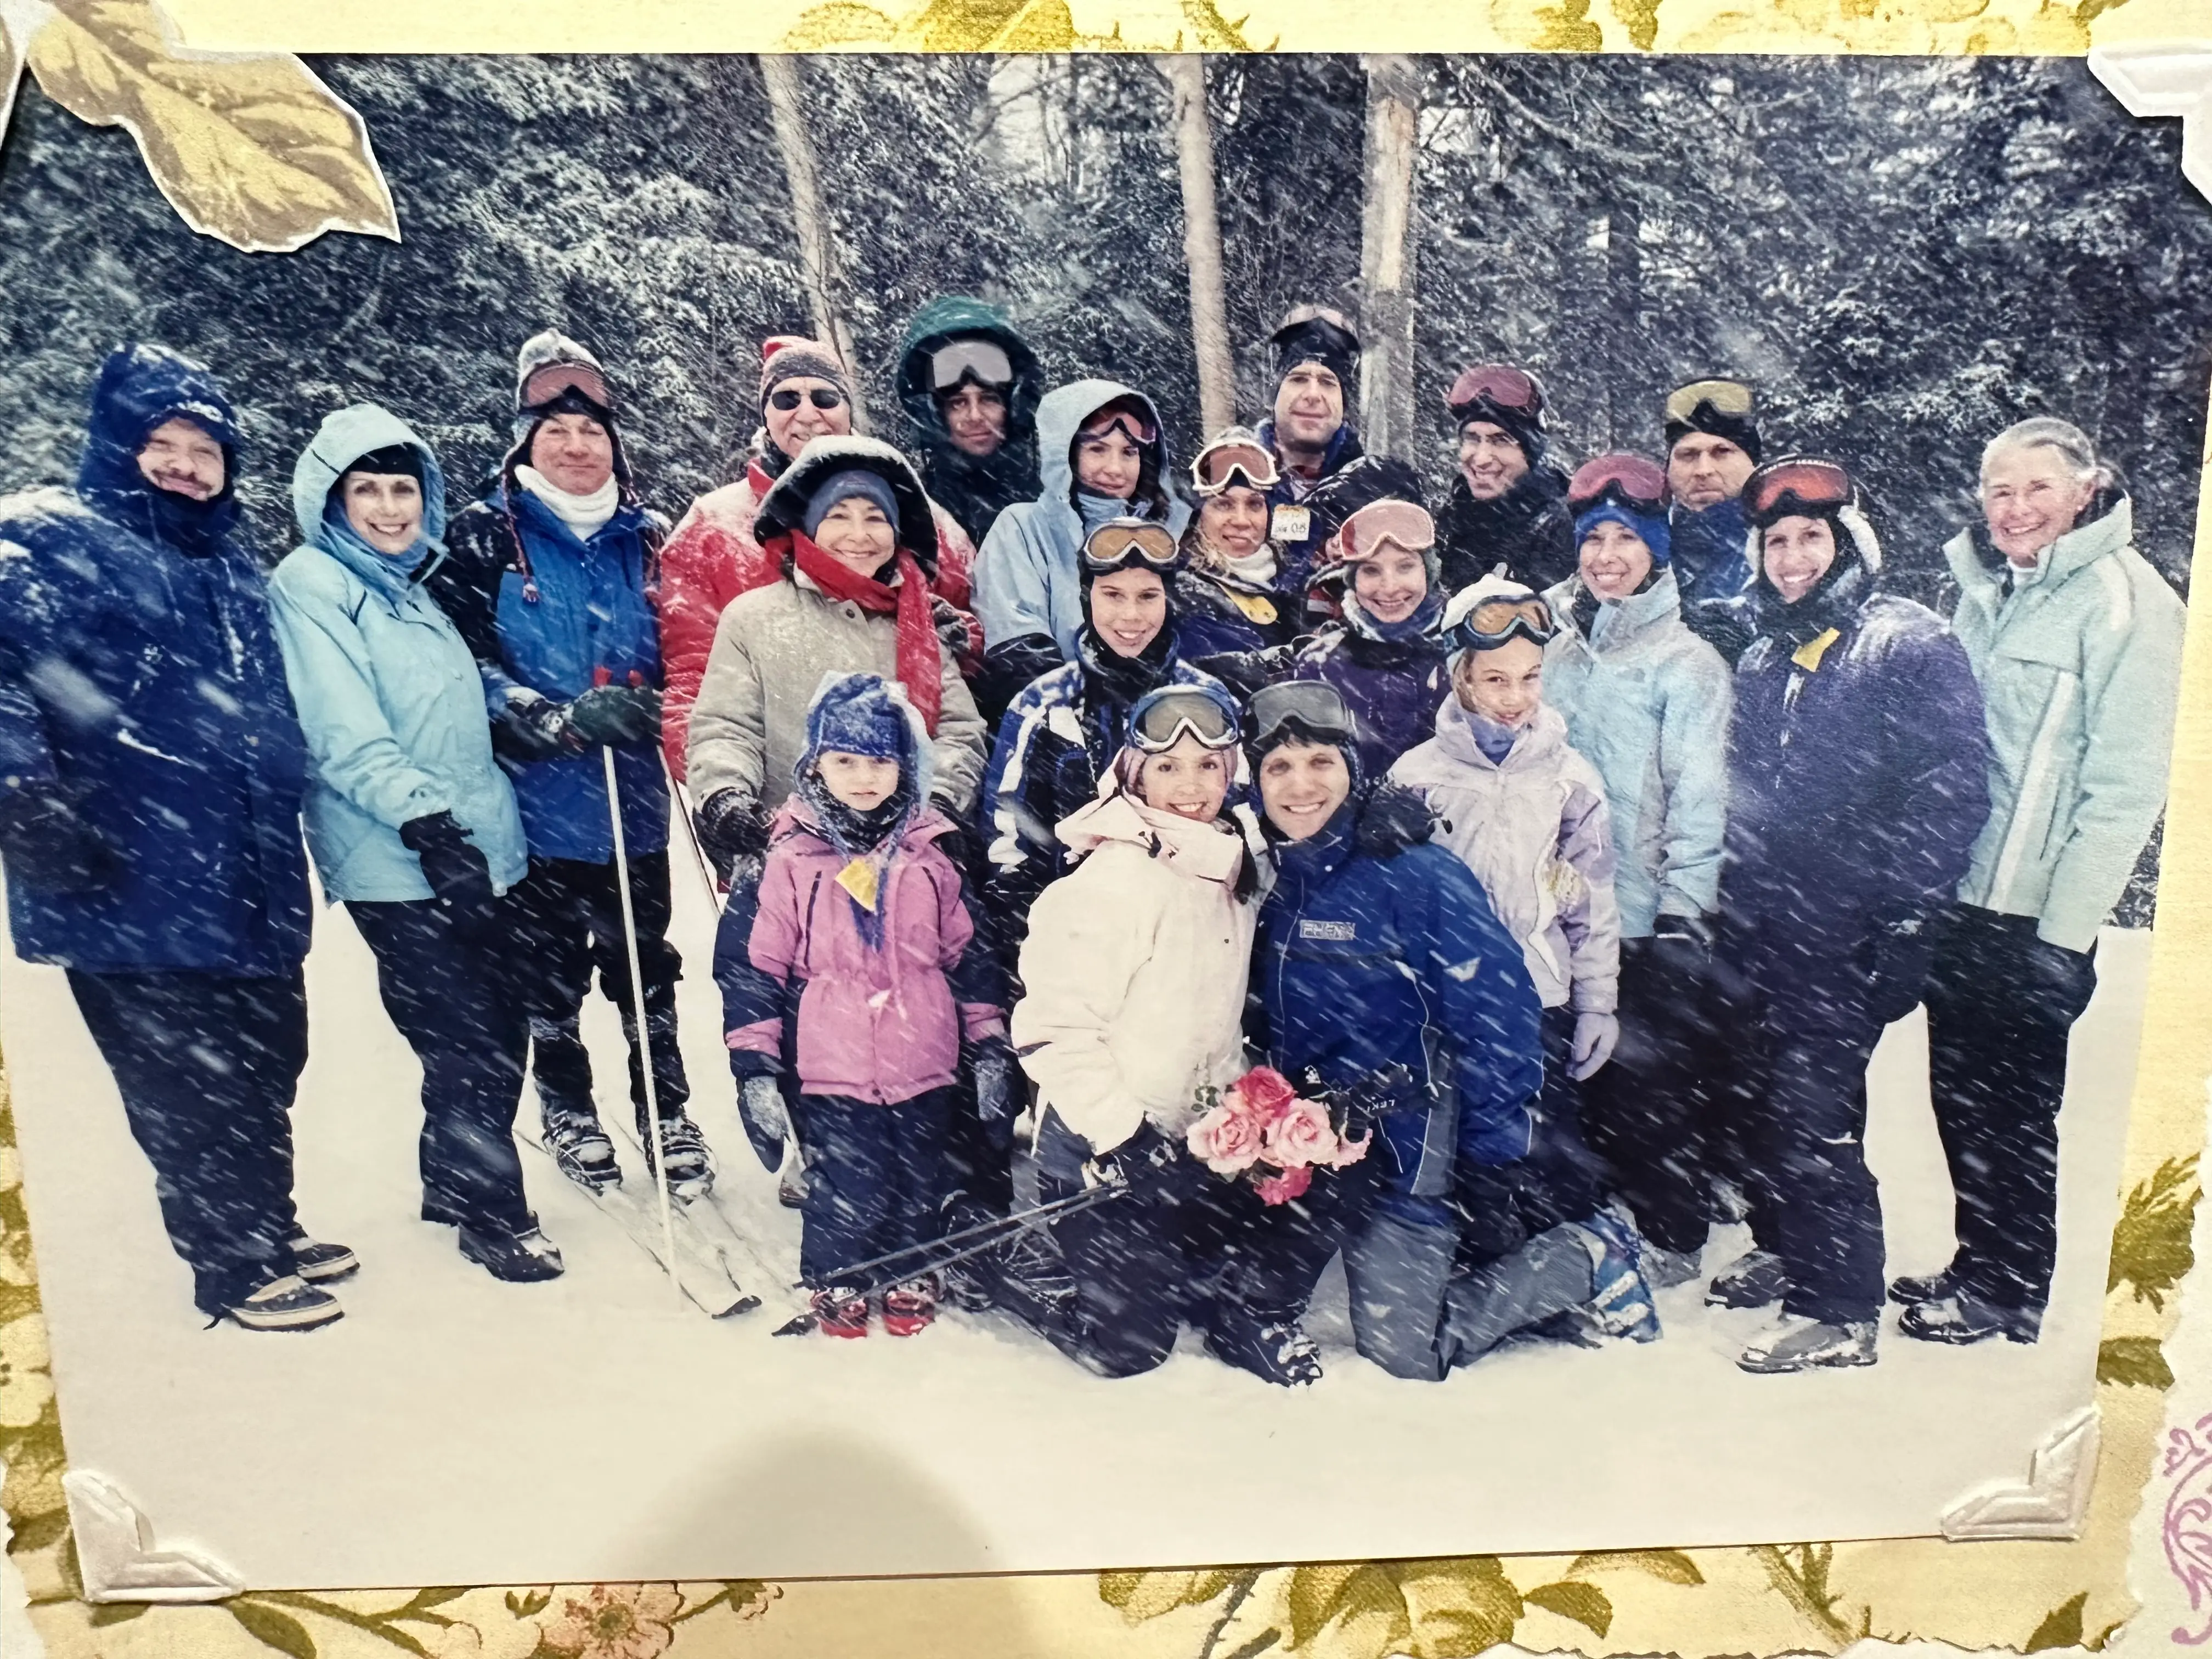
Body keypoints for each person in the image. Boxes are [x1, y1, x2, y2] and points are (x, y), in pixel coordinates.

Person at [0, 345, 345, 1331]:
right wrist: (26, 794)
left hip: (243, 869)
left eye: (207, 447)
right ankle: (231, 1264)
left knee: (269, 1057)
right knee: (183, 1081)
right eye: (165, 443)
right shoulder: (50, 540)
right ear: (118, 444)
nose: (188, 464)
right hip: (127, 876)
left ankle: (265, 1225)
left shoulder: (230, 566)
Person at [1246, 680, 1656, 1383]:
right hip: (1305, 1151)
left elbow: (1498, 1009)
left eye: (1321, 762)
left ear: (1353, 768)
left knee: (1409, 1355)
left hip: (1405, 1151)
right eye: (1279, 768)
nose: (1301, 786)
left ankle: (1587, 1254)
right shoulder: (1268, 875)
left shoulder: (1416, 874)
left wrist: (1495, 1152)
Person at [1905, 419, 2186, 1344]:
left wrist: (2061, 939)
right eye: (1997, 490)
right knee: (1956, 1094)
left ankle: (2010, 1291)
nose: (2015, 508)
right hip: (1963, 901)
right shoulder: (1989, 593)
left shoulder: (2126, 602)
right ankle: (1975, 1260)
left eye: (2035, 488)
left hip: (2034, 920)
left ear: (2083, 489)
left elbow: (2123, 789)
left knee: (2017, 1110)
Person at [268, 406, 561, 1283]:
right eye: (369, 490)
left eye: (404, 488)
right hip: (400, 856)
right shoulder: (313, 585)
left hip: (481, 843)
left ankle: (450, 1181)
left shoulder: (410, 585)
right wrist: (428, 829)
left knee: (500, 1025)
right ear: (331, 497)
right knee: (465, 1034)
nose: (391, 508)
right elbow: (342, 730)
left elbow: (460, 694)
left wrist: (532, 714)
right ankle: (494, 1215)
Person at [1711, 456, 1990, 1374]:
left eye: (1810, 538)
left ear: (1848, 544)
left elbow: (1946, 790)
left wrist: (1910, 919)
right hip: (1767, 922)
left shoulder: (1905, 644)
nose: (1792, 556)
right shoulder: (1761, 656)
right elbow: (1750, 794)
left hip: (1850, 927)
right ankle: (1797, 1243)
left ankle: (1835, 1305)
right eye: (1777, 541)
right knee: (1760, 1095)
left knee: (1811, 1108)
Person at [431, 329, 712, 1194]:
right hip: (536, 801)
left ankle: (665, 1109)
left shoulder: (652, 535)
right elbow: (455, 660)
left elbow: (695, 651)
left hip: (631, 798)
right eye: (555, 428)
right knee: (548, 967)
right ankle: (569, 1105)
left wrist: (659, 709)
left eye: (593, 429)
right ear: (525, 439)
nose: (576, 444)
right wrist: (546, 719)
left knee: (644, 962)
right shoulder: (485, 535)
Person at [1012, 681, 1352, 1385]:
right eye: (1167, 768)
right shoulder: (1111, 882)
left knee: (1248, 1248)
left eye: (1208, 766)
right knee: (1133, 1346)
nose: (1190, 786)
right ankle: (1023, 1269)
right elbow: (1052, 1034)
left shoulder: (1231, 861)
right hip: (1107, 1154)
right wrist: (1124, 1138)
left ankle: (1191, 1273)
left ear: (1232, 772)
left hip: (1197, 1139)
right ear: (1134, 774)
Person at [721, 673, 1009, 1339]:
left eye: (880, 761)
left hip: (925, 1060)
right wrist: (755, 1067)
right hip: (832, 1066)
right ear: (813, 763)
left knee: (920, 1172)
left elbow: (968, 958)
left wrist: (990, 1044)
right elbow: (753, 967)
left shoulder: (932, 858)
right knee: (849, 1182)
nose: (862, 777)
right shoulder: (789, 861)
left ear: (906, 766)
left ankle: (911, 1265)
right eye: (844, 760)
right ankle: (839, 1272)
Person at [1541, 454, 1733, 1284]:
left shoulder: (1686, 664)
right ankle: (1599, 1213)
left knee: (1651, 1087)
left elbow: (1701, 799)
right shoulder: (1562, 649)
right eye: (1594, 540)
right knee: (1587, 1081)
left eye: (1626, 539)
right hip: (1565, 906)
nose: (1607, 556)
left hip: (1648, 915)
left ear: (1657, 549)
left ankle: (1673, 1232)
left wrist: (1689, 912)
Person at [658, 336, 980, 777]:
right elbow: (693, 675)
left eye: (825, 397)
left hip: (895, 788)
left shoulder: (918, 516)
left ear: (848, 409)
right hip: (777, 791)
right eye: (787, 398)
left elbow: (970, 641)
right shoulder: (711, 526)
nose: (808, 414)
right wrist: (717, 790)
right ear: (765, 413)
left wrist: (957, 635)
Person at [1390, 573, 1623, 1177]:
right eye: (1495, 678)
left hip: (1539, 997)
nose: (1515, 696)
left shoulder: (1570, 778)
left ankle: (1536, 1247)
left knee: (1534, 1155)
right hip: (1443, 1002)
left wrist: (1597, 1004)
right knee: (1449, 1152)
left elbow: (1590, 899)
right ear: (1459, 674)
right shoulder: (1416, 777)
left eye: (1529, 677)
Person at [686, 437, 990, 872]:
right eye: (838, 516)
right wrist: (726, 796)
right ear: (809, 526)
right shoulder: (753, 618)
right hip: (785, 862)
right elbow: (727, 727)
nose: (859, 535)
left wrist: (938, 802)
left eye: (875, 518)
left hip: (904, 864)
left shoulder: (919, 621)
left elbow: (958, 731)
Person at [978, 517, 1230, 955]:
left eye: (1148, 597)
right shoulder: (1045, 705)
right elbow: (1008, 842)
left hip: (1187, 936)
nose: (1130, 616)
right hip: (1078, 941)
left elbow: (1239, 820)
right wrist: (1031, 935)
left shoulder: (1206, 699)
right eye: (1112, 595)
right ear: (1086, 597)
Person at [968, 380, 1189, 717]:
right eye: (1098, 450)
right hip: (1057, 726)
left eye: (1129, 453)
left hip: (1156, 733)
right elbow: (1017, 651)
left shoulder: (1164, 538)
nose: (1115, 469)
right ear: (1066, 455)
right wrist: (1081, 718)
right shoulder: (1025, 528)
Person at [1280, 462, 1453, 782]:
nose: (1389, 588)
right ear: (1352, 579)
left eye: (1405, 567)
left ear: (1428, 573)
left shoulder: (1459, 654)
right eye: (1371, 571)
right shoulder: (1320, 665)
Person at [895, 297, 1043, 547]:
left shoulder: (1056, 498)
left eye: (989, 399)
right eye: (957, 403)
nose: (975, 416)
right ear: (933, 417)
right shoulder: (911, 510)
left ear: (1015, 408)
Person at [1436, 364, 1577, 594]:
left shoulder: (1560, 531)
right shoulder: (1452, 517)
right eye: (1472, 439)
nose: (1481, 459)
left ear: (1529, 453)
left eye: (1500, 441)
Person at [1256, 304, 1366, 591]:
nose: (1313, 395)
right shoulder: (1226, 478)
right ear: (1276, 390)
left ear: (1344, 401)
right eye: (1299, 379)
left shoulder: (1371, 492)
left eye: (1329, 383)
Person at [1172, 428, 1300, 657]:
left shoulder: (1288, 581)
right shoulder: (1184, 594)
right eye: (1223, 505)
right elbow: (1236, 673)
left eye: (1254, 505)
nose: (1242, 521)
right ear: (1199, 515)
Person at [1662, 377, 1764, 659]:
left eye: (1722, 452)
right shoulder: (1638, 543)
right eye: (1688, 455)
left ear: (1752, 463)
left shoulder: (1787, 543)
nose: (1703, 470)